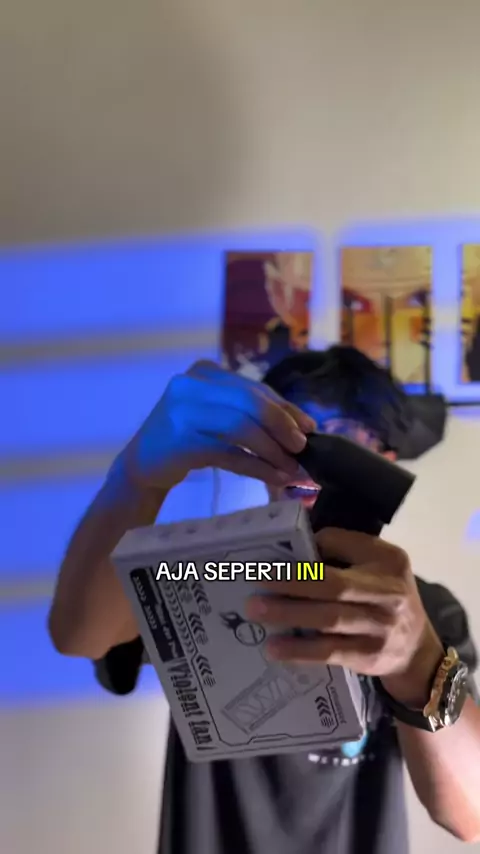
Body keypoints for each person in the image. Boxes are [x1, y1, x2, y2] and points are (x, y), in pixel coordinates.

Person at [49, 346, 480, 854]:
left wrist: (419, 661)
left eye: (342, 434)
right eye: (295, 433)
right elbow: (80, 637)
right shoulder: (207, 572)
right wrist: (135, 479)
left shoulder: (423, 608)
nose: (311, 457)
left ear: (382, 459)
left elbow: (469, 817)